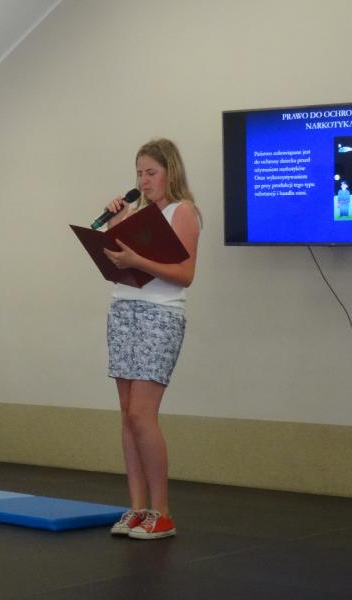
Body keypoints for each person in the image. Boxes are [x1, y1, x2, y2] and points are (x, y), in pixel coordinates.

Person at [101, 138, 201, 540]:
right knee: (128, 415)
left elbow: (185, 274)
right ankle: (137, 508)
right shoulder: (138, 215)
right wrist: (115, 225)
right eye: (139, 173)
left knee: (143, 414)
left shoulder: (183, 211)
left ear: (169, 172)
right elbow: (120, 264)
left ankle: (162, 512)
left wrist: (136, 259)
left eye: (151, 172)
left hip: (159, 315)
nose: (144, 181)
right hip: (123, 310)